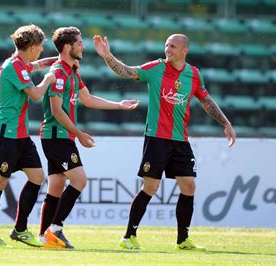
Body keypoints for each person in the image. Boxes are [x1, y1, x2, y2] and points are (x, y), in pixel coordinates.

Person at [93, 33, 236, 250]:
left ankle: (183, 240)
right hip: (157, 137)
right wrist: (107, 56)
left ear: (184, 51)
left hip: (180, 140)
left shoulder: (193, 74)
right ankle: (128, 236)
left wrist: (226, 123)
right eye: (167, 45)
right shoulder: (156, 68)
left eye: (173, 46)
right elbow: (128, 72)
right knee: (150, 186)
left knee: (189, 185)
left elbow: (206, 100)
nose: (168, 49)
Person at [38, 26, 139, 249]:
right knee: (80, 180)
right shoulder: (58, 73)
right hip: (57, 136)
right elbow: (56, 111)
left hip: (62, 136)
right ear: (67, 47)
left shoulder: (72, 71)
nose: (83, 46)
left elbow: (88, 98)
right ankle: (55, 229)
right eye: (80, 43)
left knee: (56, 185)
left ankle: (43, 236)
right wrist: (79, 134)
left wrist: (119, 106)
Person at [0, 24, 57, 248]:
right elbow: (35, 94)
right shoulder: (13, 66)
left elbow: (36, 65)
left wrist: (60, 59)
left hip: (21, 136)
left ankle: (20, 230)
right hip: (5, 135)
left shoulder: (21, 64)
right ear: (33, 46)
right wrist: (49, 79)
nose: (42, 51)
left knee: (37, 177)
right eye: (41, 47)